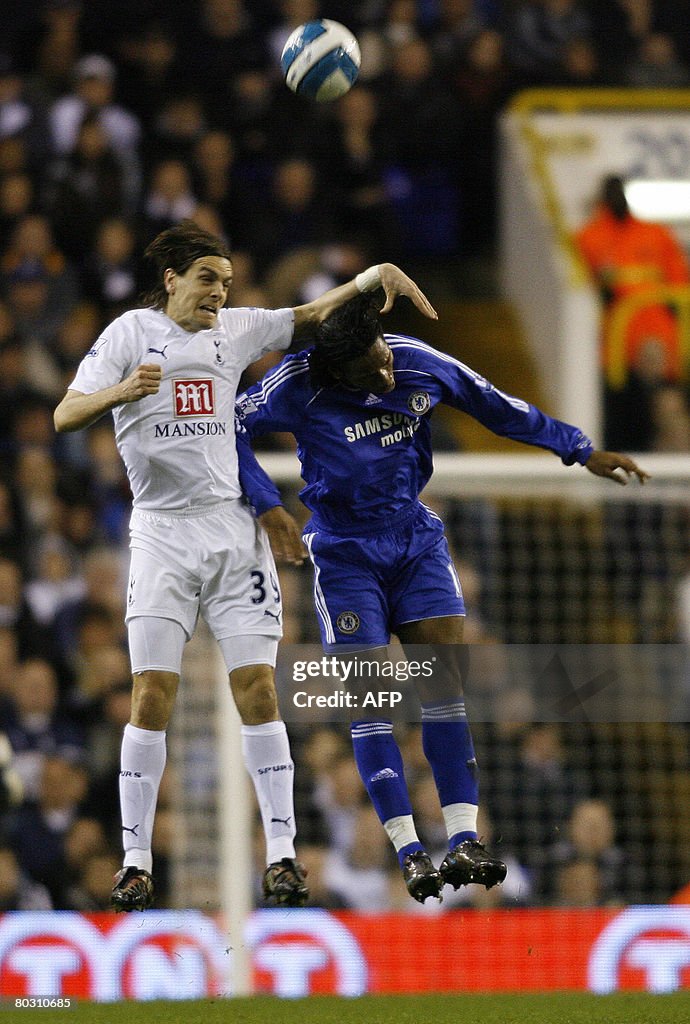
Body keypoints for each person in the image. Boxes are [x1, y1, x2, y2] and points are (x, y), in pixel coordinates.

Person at [52, 220, 437, 913]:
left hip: (232, 530)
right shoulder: (126, 339)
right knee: (151, 695)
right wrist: (121, 394)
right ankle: (135, 861)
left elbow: (312, 318)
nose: (218, 294)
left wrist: (371, 276)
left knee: (258, 688)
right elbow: (64, 414)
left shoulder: (237, 330)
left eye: (225, 283)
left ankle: (283, 856)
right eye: (207, 279)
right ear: (171, 279)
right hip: (162, 535)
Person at [235, 291, 648, 904]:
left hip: (415, 540)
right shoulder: (295, 384)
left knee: (443, 690)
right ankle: (406, 850)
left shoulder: (417, 360)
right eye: (369, 367)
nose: (385, 368)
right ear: (333, 370)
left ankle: (461, 837)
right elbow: (224, 430)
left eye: (381, 351)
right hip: (345, 554)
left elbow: (498, 408)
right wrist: (269, 506)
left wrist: (580, 449)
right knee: (373, 699)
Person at [575, 174, 690, 447]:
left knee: (668, 406)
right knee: (625, 423)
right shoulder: (588, 237)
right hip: (615, 348)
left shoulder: (655, 233)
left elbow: (679, 282)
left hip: (659, 338)